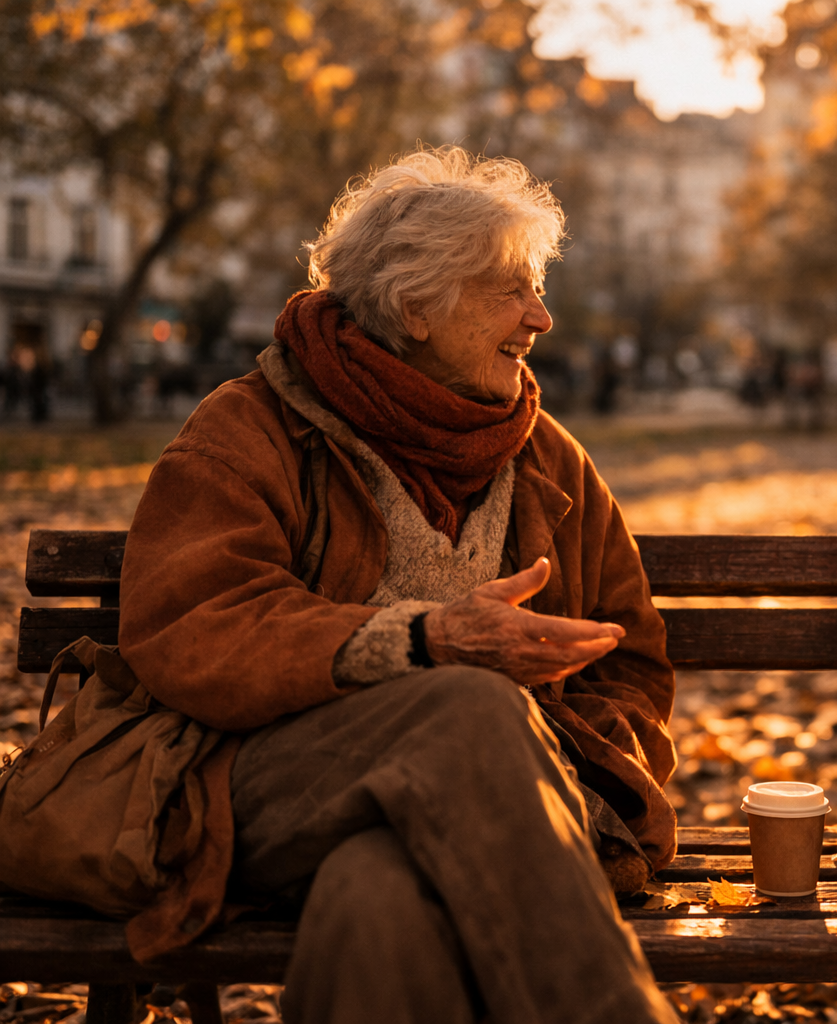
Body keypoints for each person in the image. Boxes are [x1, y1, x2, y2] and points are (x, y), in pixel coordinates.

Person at [115, 147, 679, 1024]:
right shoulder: (250, 429)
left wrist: (562, 758)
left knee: (378, 895)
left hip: (477, 811)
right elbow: (193, 625)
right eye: (512, 289)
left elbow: (630, 655)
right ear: (415, 306)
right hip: (250, 790)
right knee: (465, 707)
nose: (542, 316)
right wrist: (422, 640)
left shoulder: (548, 454)